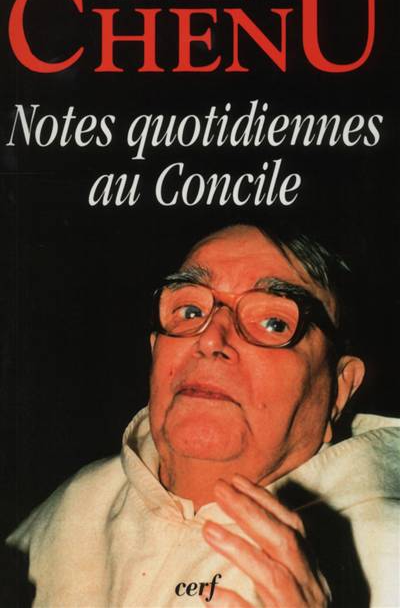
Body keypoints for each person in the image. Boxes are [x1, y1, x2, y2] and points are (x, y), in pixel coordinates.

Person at [7, 224, 400, 607]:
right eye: (191, 310)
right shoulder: (77, 505)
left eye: (273, 322)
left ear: (340, 388)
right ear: (155, 350)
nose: (211, 338)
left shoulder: (387, 552)